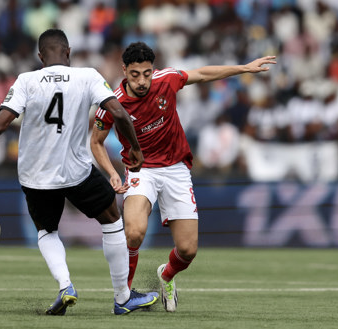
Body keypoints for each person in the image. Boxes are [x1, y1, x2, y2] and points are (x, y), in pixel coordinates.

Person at [0, 29, 158, 316]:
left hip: (35, 176)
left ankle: (66, 286)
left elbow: (0, 124)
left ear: (40, 57)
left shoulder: (26, 80)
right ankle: (122, 298)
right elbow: (120, 113)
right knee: (112, 219)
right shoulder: (87, 76)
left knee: (47, 230)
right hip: (75, 172)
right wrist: (135, 149)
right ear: (68, 52)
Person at [90, 41, 276, 312]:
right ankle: (124, 297)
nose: (142, 80)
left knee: (188, 250)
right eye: (135, 74)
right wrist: (112, 174)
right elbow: (96, 141)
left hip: (176, 168)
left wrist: (243, 68)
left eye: (147, 73)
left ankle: (166, 276)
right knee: (133, 232)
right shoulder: (112, 102)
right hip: (141, 170)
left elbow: (202, 74)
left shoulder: (166, 80)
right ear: (124, 71)